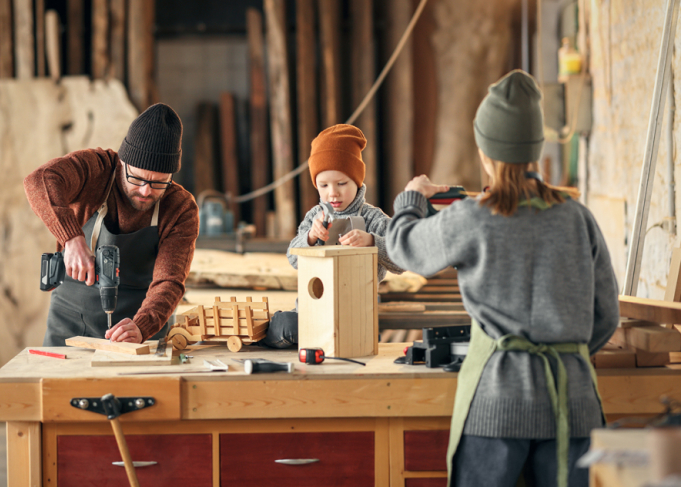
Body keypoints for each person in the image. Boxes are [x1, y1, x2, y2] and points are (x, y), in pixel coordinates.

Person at [385, 70, 619, 487]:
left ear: (484, 152)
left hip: (497, 406)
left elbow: (403, 248)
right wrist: (563, 350)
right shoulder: (577, 217)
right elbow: (606, 315)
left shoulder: (472, 218)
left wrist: (412, 198)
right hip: (573, 403)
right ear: (535, 151)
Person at [24, 103, 199, 347]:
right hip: (70, 319)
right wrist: (71, 238)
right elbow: (38, 181)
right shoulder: (95, 169)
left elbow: (169, 281)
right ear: (122, 162)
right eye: (137, 178)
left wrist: (142, 326)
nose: (146, 191)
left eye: (159, 182)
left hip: (136, 331)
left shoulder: (180, 208)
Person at [264, 124, 405, 348]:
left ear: (357, 182)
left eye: (341, 183)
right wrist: (310, 237)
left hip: (356, 313)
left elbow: (402, 260)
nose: (333, 193)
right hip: (312, 309)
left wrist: (371, 242)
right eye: (324, 185)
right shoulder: (315, 216)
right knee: (282, 325)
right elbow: (293, 258)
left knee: (351, 340)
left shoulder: (373, 218)